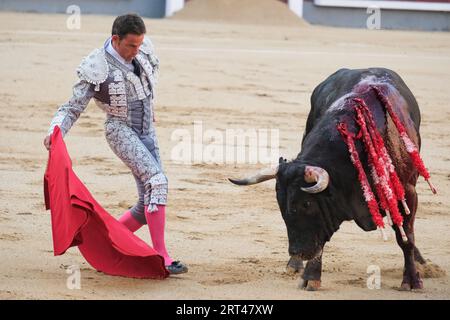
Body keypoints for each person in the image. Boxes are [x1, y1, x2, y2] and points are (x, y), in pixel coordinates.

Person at [43, 13, 187, 275]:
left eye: (140, 44)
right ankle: (161, 256)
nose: (136, 50)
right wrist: (56, 130)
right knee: (158, 182)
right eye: (131, 45)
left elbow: (145, 87)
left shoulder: (142, 50)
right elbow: (73, 107)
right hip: (120, 130)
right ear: (115, 39)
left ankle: (110, 247)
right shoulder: (97, 66)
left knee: (146, 207)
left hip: (146, 130)